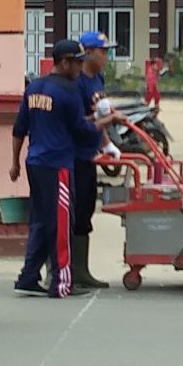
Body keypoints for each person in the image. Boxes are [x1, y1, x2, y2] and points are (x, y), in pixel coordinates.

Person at [10, 39, 91, 299]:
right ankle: (61, 282)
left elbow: (19, 129)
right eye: (77, 63)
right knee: (62, 223)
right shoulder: (69, 90)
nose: (80, 68)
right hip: (58, 167)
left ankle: (29, 276)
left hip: (35, 163)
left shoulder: (34, 88)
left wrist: (14, 163)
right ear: (65, 62)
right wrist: (104, 122)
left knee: (40, 221)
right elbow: (81, 129)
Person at [72, 31, 125, 291]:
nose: (106, 57)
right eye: (103, 52)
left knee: (85, 211)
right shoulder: (77, 82)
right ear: (89, 53)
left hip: (90, 155)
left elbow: (99, 115)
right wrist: (108, 121)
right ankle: (68, 270)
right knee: (74, 212)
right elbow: (81, 122)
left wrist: (107, 144)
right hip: (74, 156)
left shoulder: (98, 79)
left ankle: (82, 270)